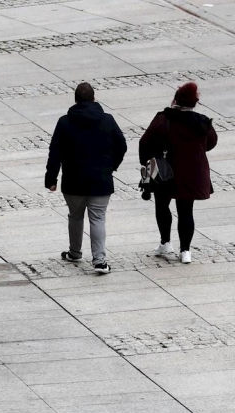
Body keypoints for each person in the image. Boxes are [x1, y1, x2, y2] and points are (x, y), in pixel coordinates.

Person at [45, 82, 127, 274]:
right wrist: (111, 167)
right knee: (97, 219)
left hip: (73, 181)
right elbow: (121, 146)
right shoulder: (107, 120)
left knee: (75, 216)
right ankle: (99, 261)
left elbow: (54, 152)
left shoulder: (64, 122)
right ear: (94, 98)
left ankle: (75, 252)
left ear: (75, 100)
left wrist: (51, 178)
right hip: (101, 181)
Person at [139, 82, 217, 264]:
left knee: (161, 205)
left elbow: (145, 143)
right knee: (186, 210)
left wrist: (147, 164)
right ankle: (185, 251)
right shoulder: (202, 122)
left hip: (166, 171)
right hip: (191, 172)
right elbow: (211, 142)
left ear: (176, 100)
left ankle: (166, 242)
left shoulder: (163, 119)